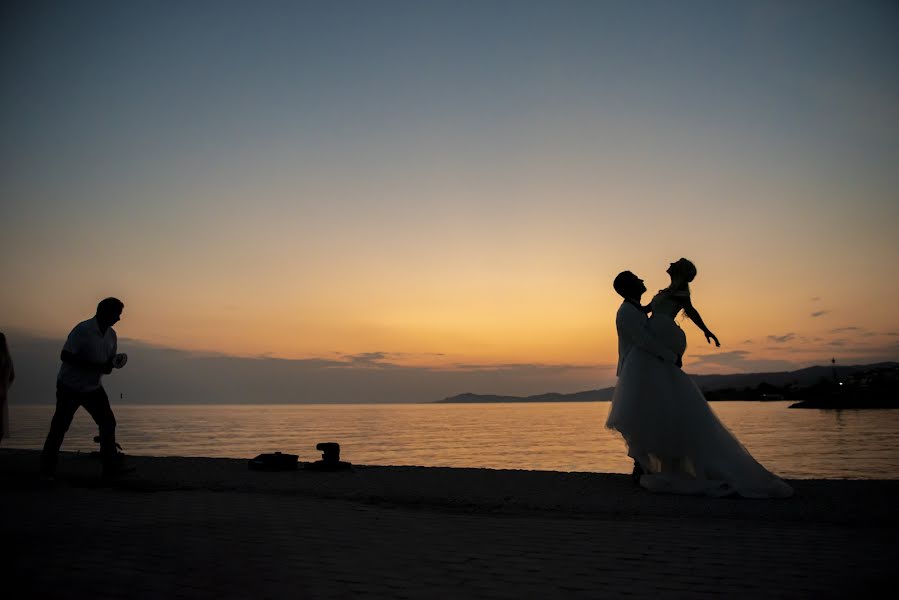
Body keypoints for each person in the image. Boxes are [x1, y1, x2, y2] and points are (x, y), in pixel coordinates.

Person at [606, 260, 793, 498]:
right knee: (644, 414)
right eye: (637, 278)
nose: (642, 280)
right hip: (645, 366)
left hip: (654, 364)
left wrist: (694, 337)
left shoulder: (645, 304)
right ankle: (644, 465)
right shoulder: (627, 311)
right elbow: (643, 339)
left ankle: (652, 465)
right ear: (629, 286)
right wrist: (668, 354)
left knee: (657, 412)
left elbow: (682, 313)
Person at [40, 298, 131, 479]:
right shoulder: (82, 330)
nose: (119, 319)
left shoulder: (112, 336)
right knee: (60, 427)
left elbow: (107, 364)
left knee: (108, 423)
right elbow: (65, 355)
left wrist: (110, 366)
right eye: (116, 315)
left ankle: (110, 470)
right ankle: (46, 471)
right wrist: (96, 367)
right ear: (104, 313)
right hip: (69, 387)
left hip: (93, 388)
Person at [0, 332, 14, 444]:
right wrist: (5, 388)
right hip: (2, 393)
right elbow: (12, 376)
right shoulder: (7, 358)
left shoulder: (3, 358)